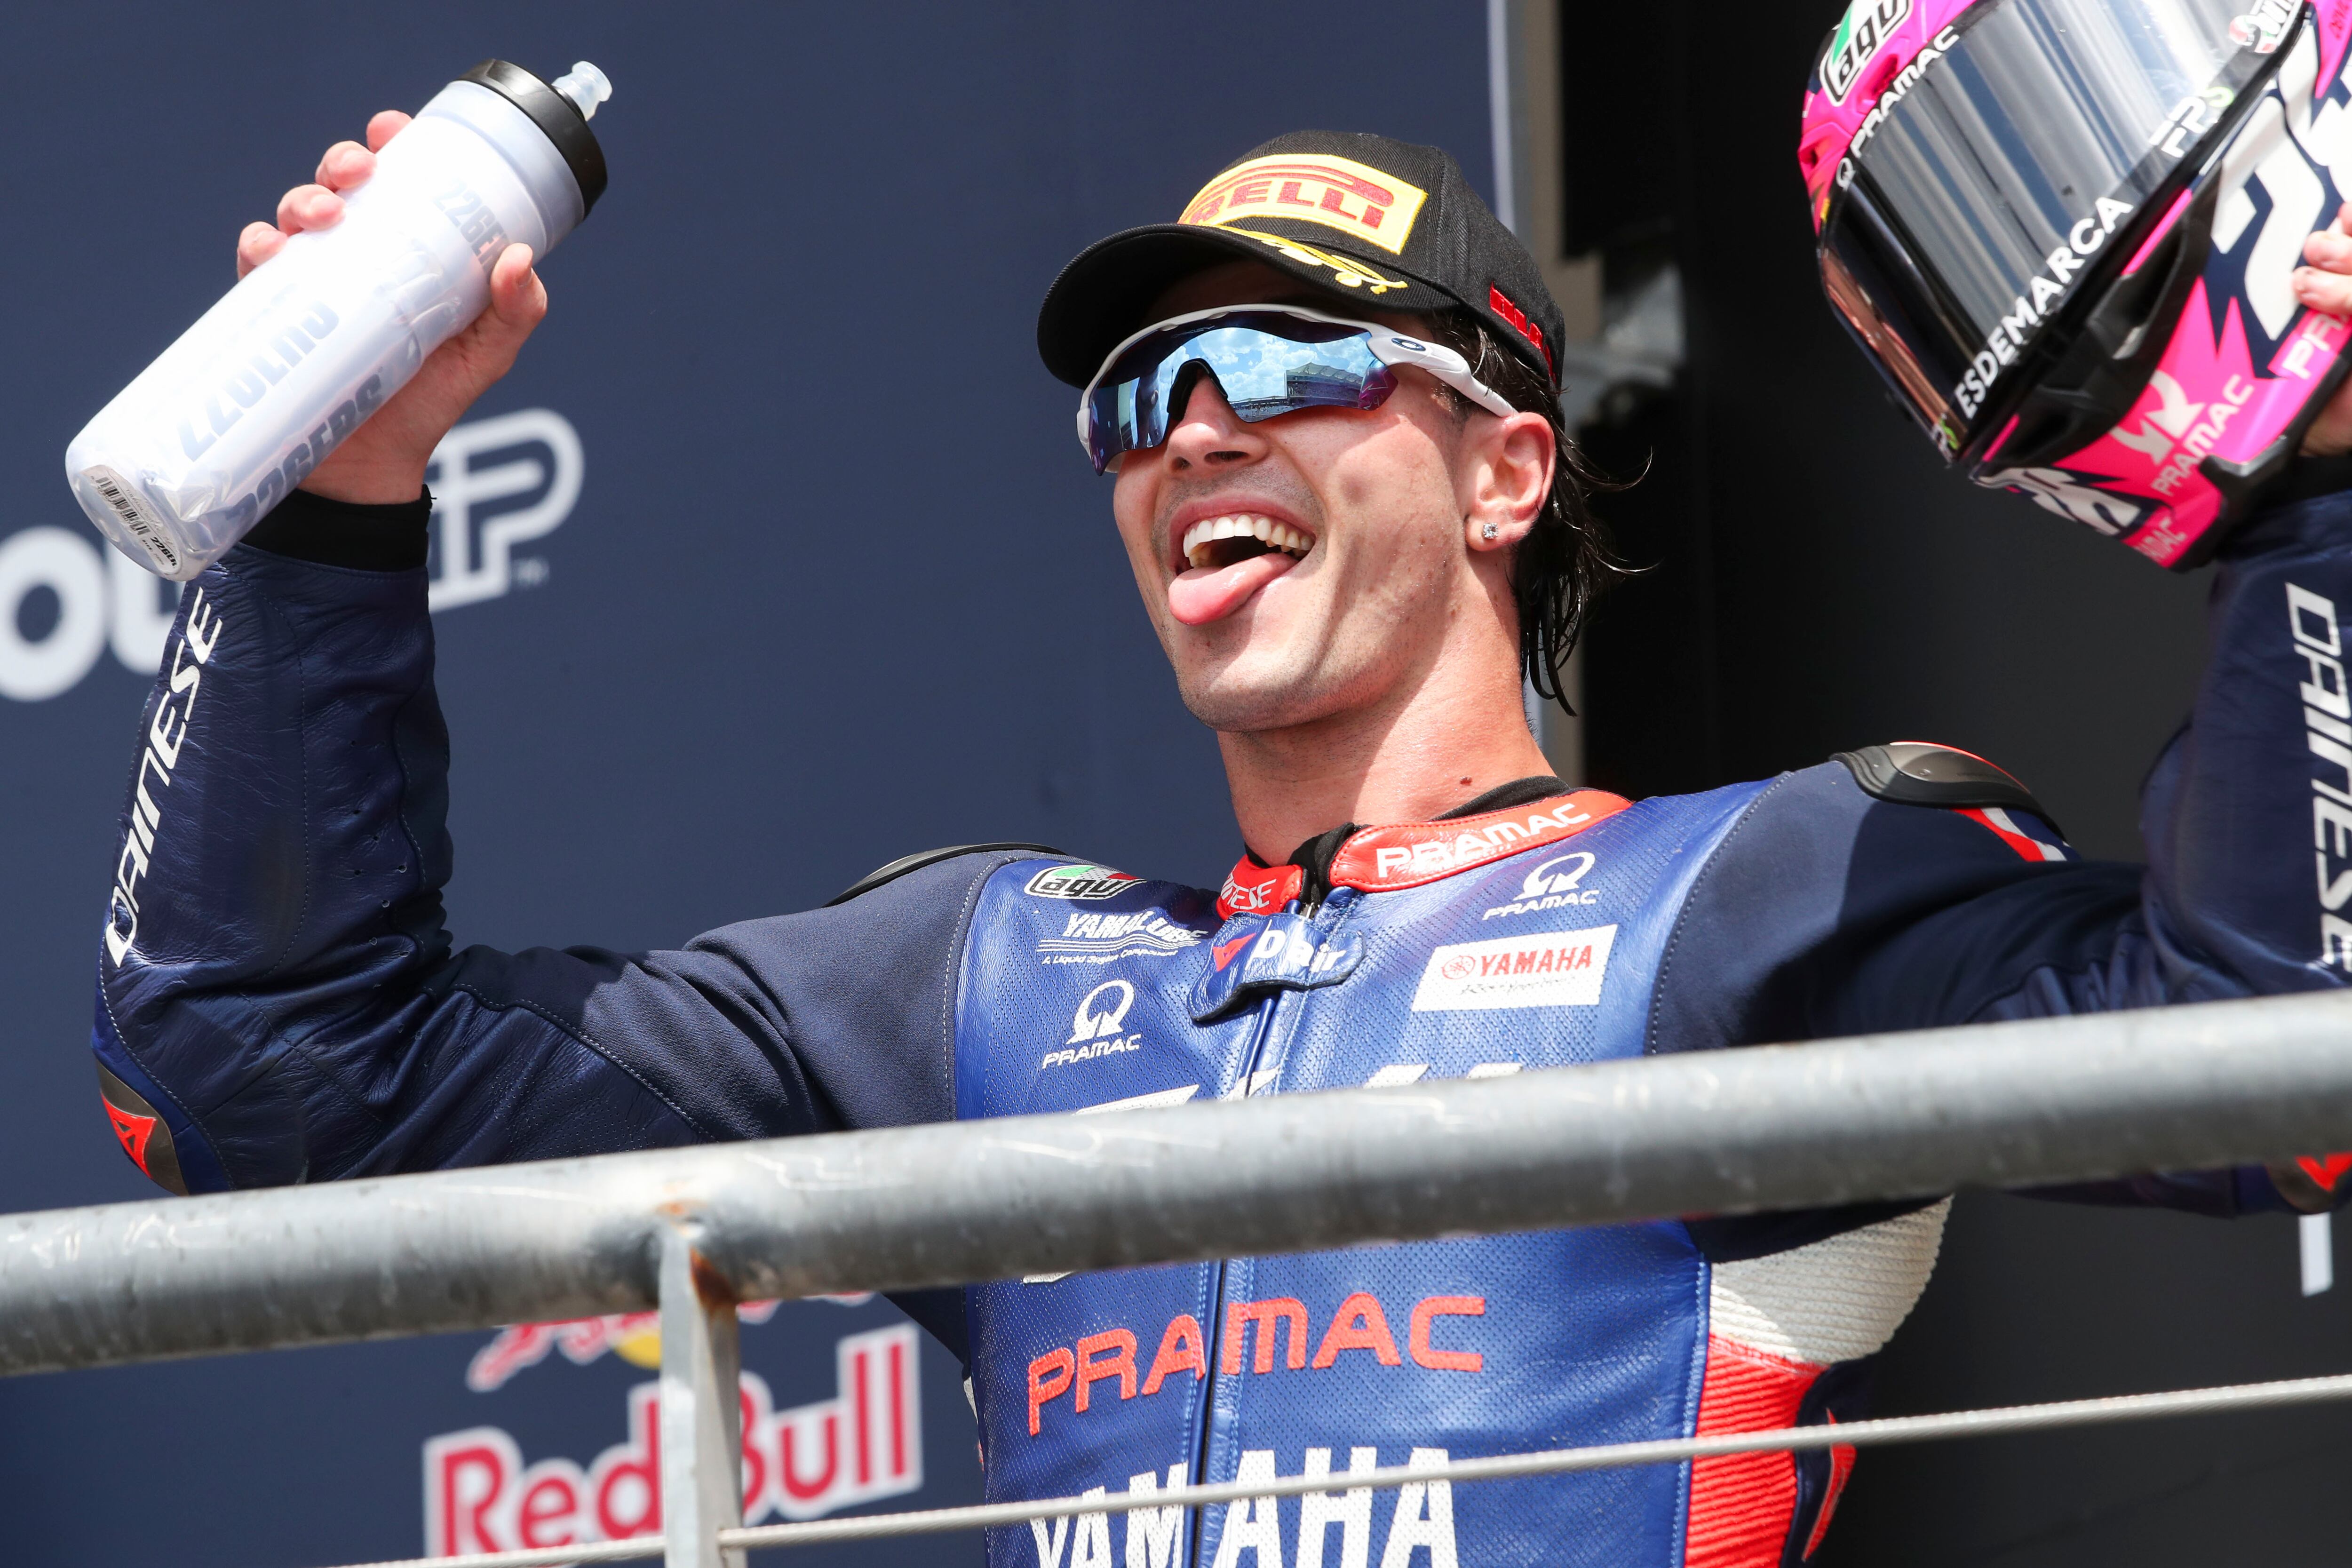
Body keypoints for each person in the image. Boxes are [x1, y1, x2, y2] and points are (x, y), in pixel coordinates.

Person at [88, 116, 2352, 1568]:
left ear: (1501, 473)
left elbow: (2279, 1042)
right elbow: (263, 1089)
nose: (1190, 434)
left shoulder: (1748, 894)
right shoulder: (965, 987)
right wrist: (332, 502)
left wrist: (2313, 460)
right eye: (1137, 400)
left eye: (1284, 364)